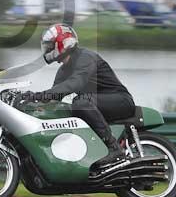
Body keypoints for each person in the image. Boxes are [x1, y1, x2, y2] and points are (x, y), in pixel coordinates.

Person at [23, 24, 135, 171]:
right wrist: (30, 100)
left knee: (80, 102)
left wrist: (42, 94)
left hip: (119, 100)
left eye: (50, 45)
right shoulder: (63, 70)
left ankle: (114, 148)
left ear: (63, 43)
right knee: (69, 109)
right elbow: (54, 98)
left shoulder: (86, 57)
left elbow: (74, 83)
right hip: (96, 104)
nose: (48, 49)